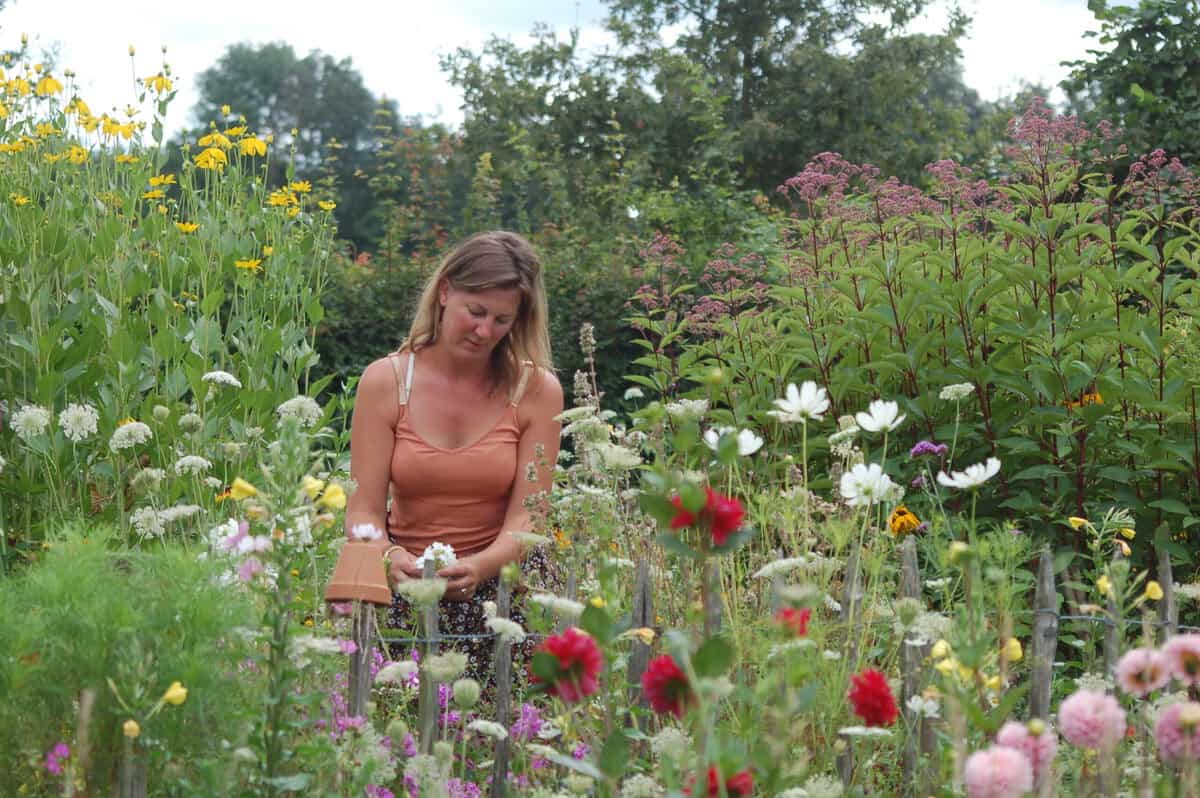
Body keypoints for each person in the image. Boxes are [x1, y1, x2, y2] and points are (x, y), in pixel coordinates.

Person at [344, 230, 563, 678]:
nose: (485, 331)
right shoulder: (386, 382)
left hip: (506, 594)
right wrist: (389, 559)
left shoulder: (537, 390)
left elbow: (530, 519)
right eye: (476, 312)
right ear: (445, 292)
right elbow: (362, 510)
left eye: (502, 320)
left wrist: (479, 567)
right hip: (405, 593)